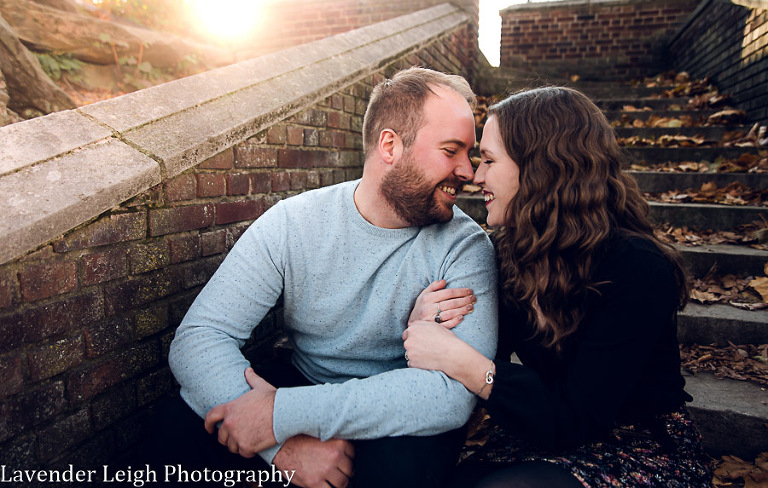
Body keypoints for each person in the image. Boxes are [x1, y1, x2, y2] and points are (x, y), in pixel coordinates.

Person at [166, 67, 499, 488]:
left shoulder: (465, 247)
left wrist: (281, 415)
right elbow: (200, 336)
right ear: (391, 145)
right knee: (179, 427)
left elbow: (450, 396)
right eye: (452, 150)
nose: (468, 171)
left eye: (470, 154)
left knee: (401, 471)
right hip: (304, 382)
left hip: (400, 409)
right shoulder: (294, 223)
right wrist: (281, 446)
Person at [402, 87, 714, 488]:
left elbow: (577, 415)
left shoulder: (636, 266)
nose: (475, 176)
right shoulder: (510, 251)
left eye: (490, 161)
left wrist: (463, 363)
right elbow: (479, 346)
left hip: (637, 442)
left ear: (540, 169)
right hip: (542, 430)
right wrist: (426, 321)